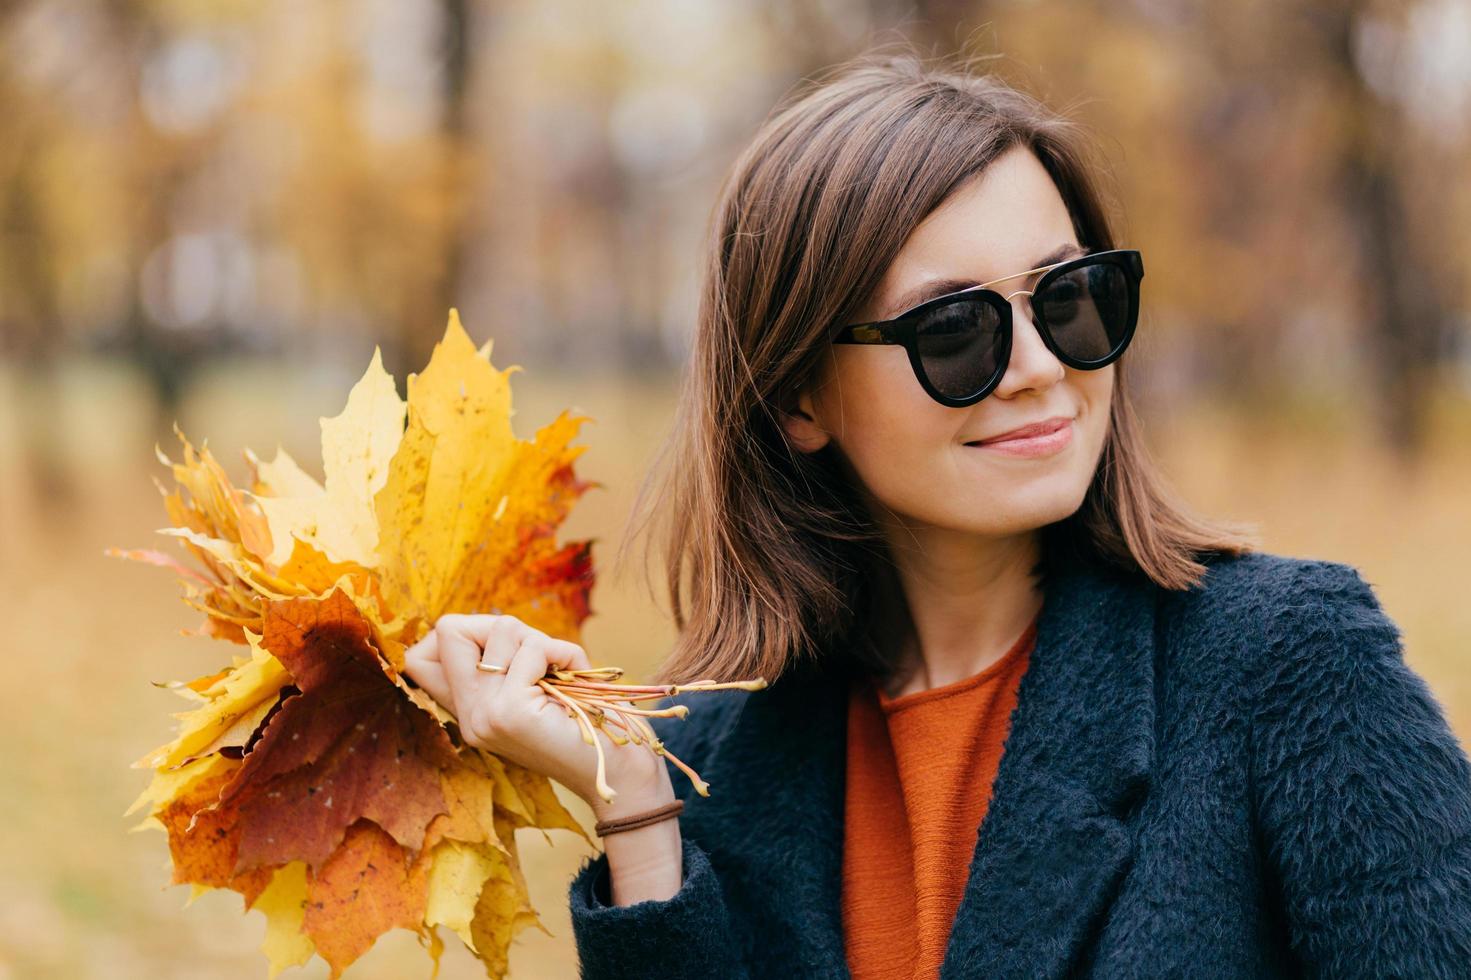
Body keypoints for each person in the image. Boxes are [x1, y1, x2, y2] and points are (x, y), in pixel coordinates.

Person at [402, 49, 1471, 978]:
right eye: (955, 331)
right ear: (798, 396)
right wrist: (632, 797)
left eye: (1070, 297)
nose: (1043, 367)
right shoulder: (720, 756)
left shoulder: (1288, 663)